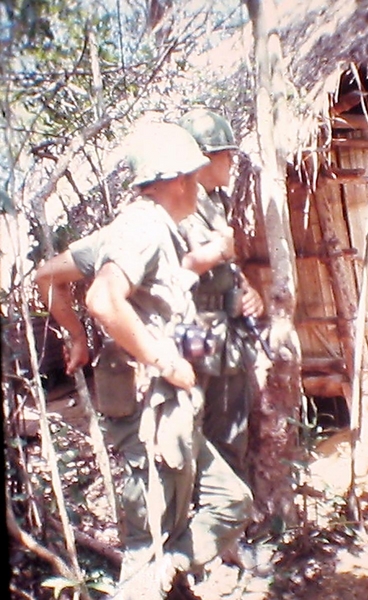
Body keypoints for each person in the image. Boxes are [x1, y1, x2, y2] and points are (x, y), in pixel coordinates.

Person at [35, 121, 252, 600]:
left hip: (168, 408)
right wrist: (165, 361)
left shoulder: (143, 227)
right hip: (150, 410)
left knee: (229, 501)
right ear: (177, 180)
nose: (198, 186)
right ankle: (151, 578)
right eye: (194, 178)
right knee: (145, 550)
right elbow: (104, 299)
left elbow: (48, 276)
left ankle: (170, 570)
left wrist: (77, 341)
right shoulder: (145, 227)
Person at [178, 108, 264, 483]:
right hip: (192, 333)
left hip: (225, 333)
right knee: (192, 433)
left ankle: (230, 524)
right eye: (225, 154)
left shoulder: (217, 202)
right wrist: (219, 251)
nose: (231, 161)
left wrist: (249, 291)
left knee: (231, 432)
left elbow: (227, 267)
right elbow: (171, 265)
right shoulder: (176, 203)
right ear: (203, 158)